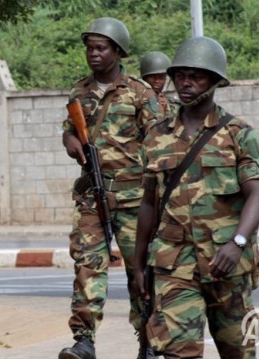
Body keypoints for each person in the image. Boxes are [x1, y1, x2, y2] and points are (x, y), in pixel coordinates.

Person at [133, 36, 259, 359]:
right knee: (179, 353)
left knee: (239, 351)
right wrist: (137, 264)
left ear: (215, 81)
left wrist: (237, 242)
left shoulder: (239, 134)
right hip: (173, 264)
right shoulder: (157, 135)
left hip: (226, 265)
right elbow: (149, 202)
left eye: (196, 76)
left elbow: (257, 193)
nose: (186, 83)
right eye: (180, 76)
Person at [58, 17, 162, 359]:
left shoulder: (139, 92)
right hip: (92, 195)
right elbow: (68, 128)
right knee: (88, 264)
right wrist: (70, 139)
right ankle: (84, 340)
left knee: (140, 270)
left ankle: (147, 342)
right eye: (89, 48)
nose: (93, 54)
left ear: (117, 51)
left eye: (101, 48)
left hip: (135, 199)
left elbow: (160, 141)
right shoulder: (79, 91)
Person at [139, 51, 179, 117]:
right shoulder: (135, 100)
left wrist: (167, 109)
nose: (157, 81)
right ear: (144, 78)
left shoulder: (170, 104)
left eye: (161, 77)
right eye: (152, 76)